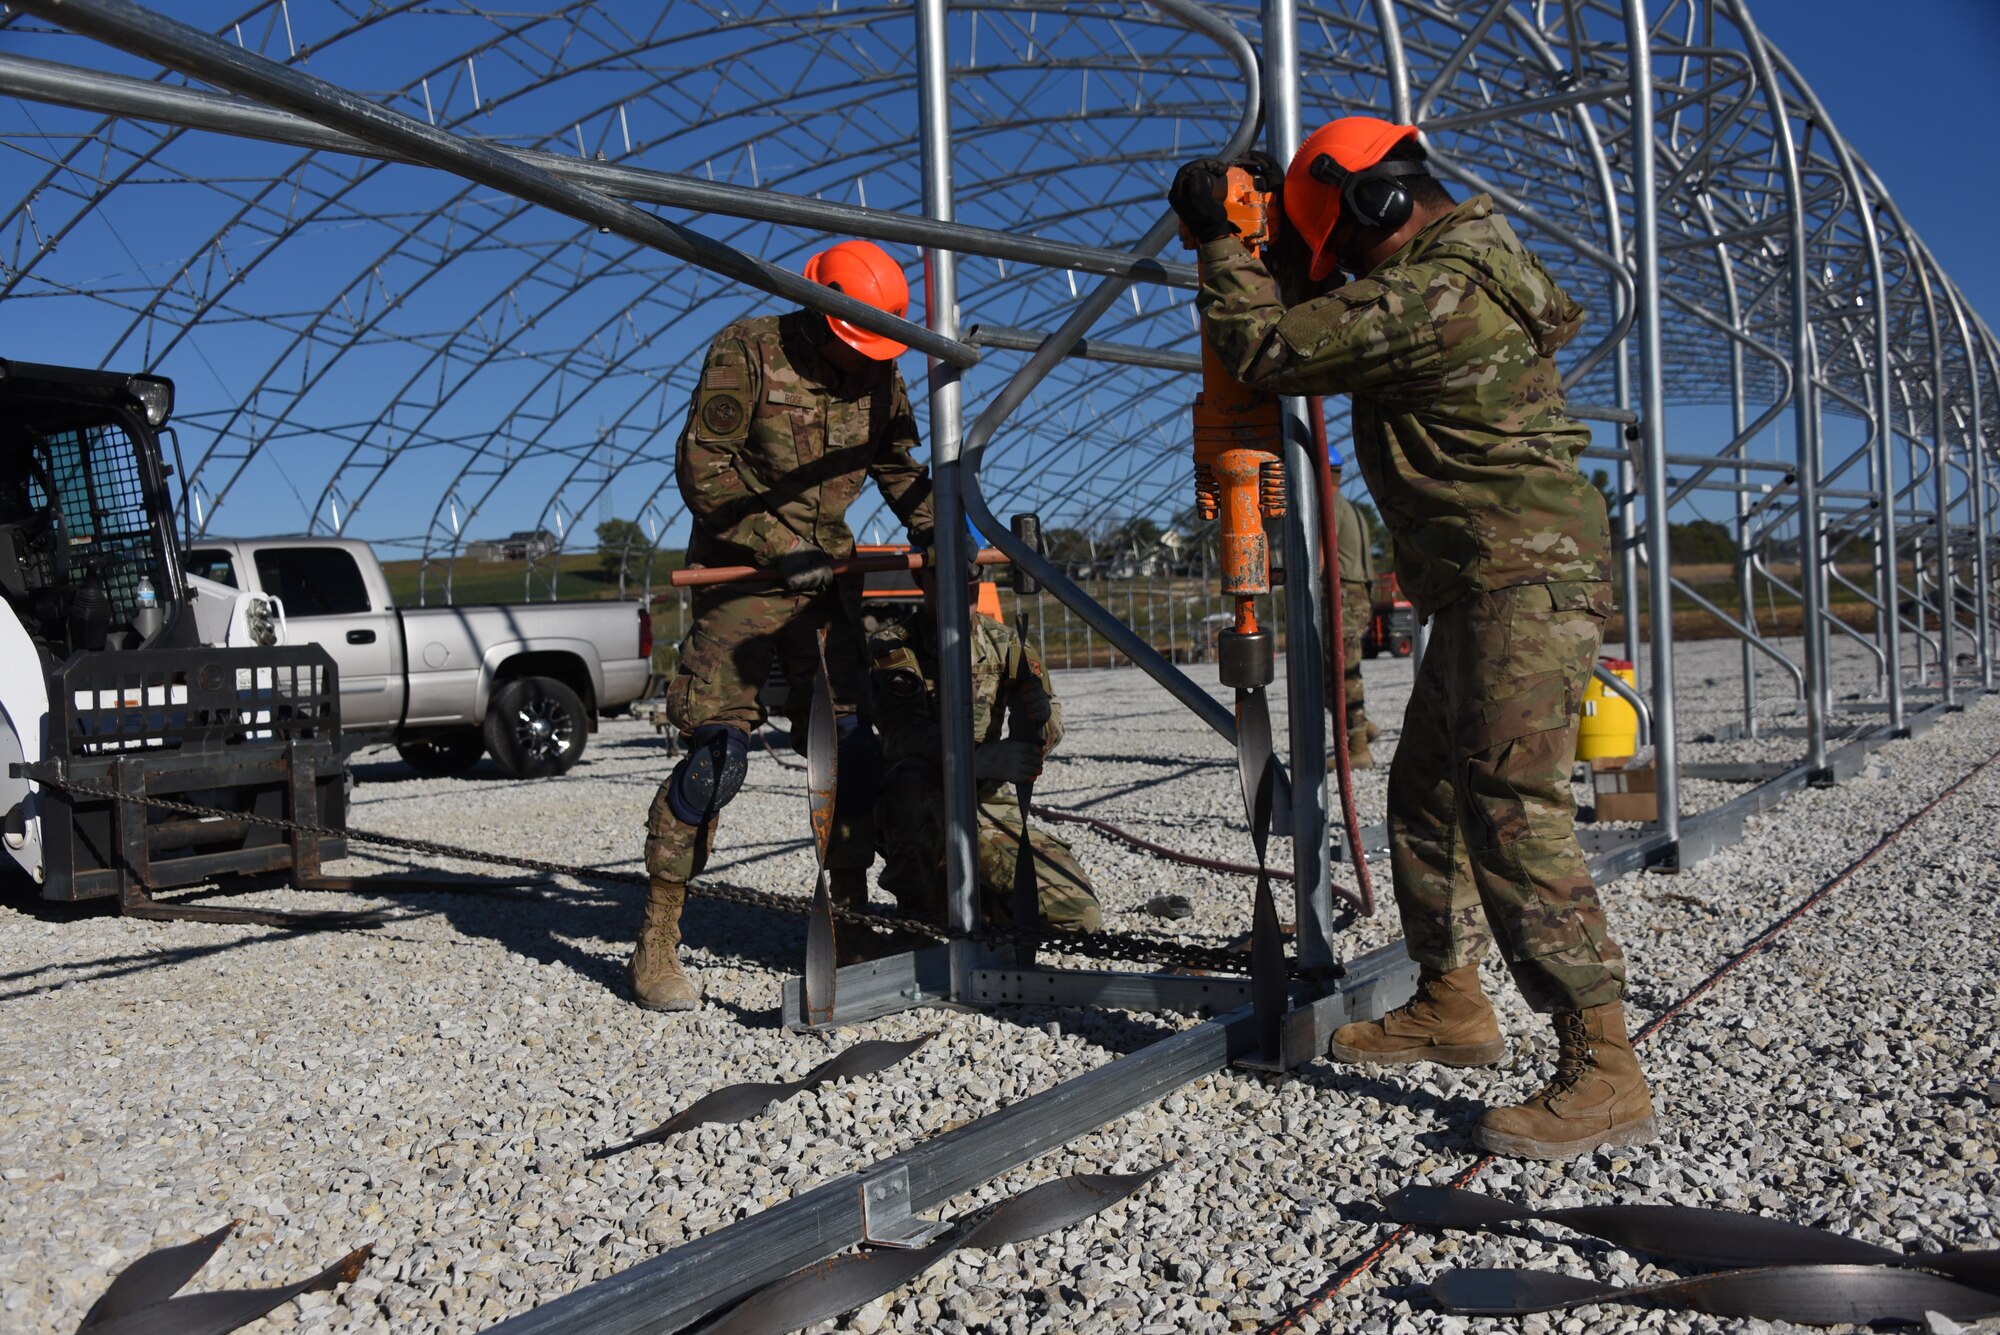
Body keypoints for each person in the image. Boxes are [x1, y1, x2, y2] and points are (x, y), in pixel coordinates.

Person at [1169, 118, 1654, 1160]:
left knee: (1508, 807)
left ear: (1380, 205)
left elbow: (1267, 346)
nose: (1333, 268)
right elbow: (1322, 316)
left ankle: (1603, 1068)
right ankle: (1452, 1003)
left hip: (1515, 578)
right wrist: (1276, 231)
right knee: (1425, 794)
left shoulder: (1438, 292)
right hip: (1490, 576)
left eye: (1337, 245)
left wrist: (1221, 246)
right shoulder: (1448, 270)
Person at [633, 239, 935, 1012]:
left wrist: (940, 528)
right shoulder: (750, 350)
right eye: (846, 344)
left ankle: (850, 911)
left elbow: (897, 462)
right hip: (743, 576)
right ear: (815, 306)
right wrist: (780, 542)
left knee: (847, 752)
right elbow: (705, 467)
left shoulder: (879, 364)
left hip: (826, 588)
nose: (854, 362)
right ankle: (658, 939)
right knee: (716, 760)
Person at [870, 566, 1103, 934]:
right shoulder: (895, 647)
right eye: (947, 582)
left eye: (971, 585)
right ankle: (917, 918)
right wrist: (971, 761)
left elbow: (1051, 724)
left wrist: (1038, 722)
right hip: (923, 804)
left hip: (987, 804)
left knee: (1078, 915)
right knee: (911, 787)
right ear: (921, 581)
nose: (962, 594)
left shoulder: (1007, 645)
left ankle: (983, 908)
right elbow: (903, 731)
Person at [1330, 490, 1379, 770]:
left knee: (1340, 673)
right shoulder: (1352, 508)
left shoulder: (1330, 503)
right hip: (1357, 595)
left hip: (1345, 596)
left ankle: (1358, 747)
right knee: (1336, 671)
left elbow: (1322, 555)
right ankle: (1361, 728)